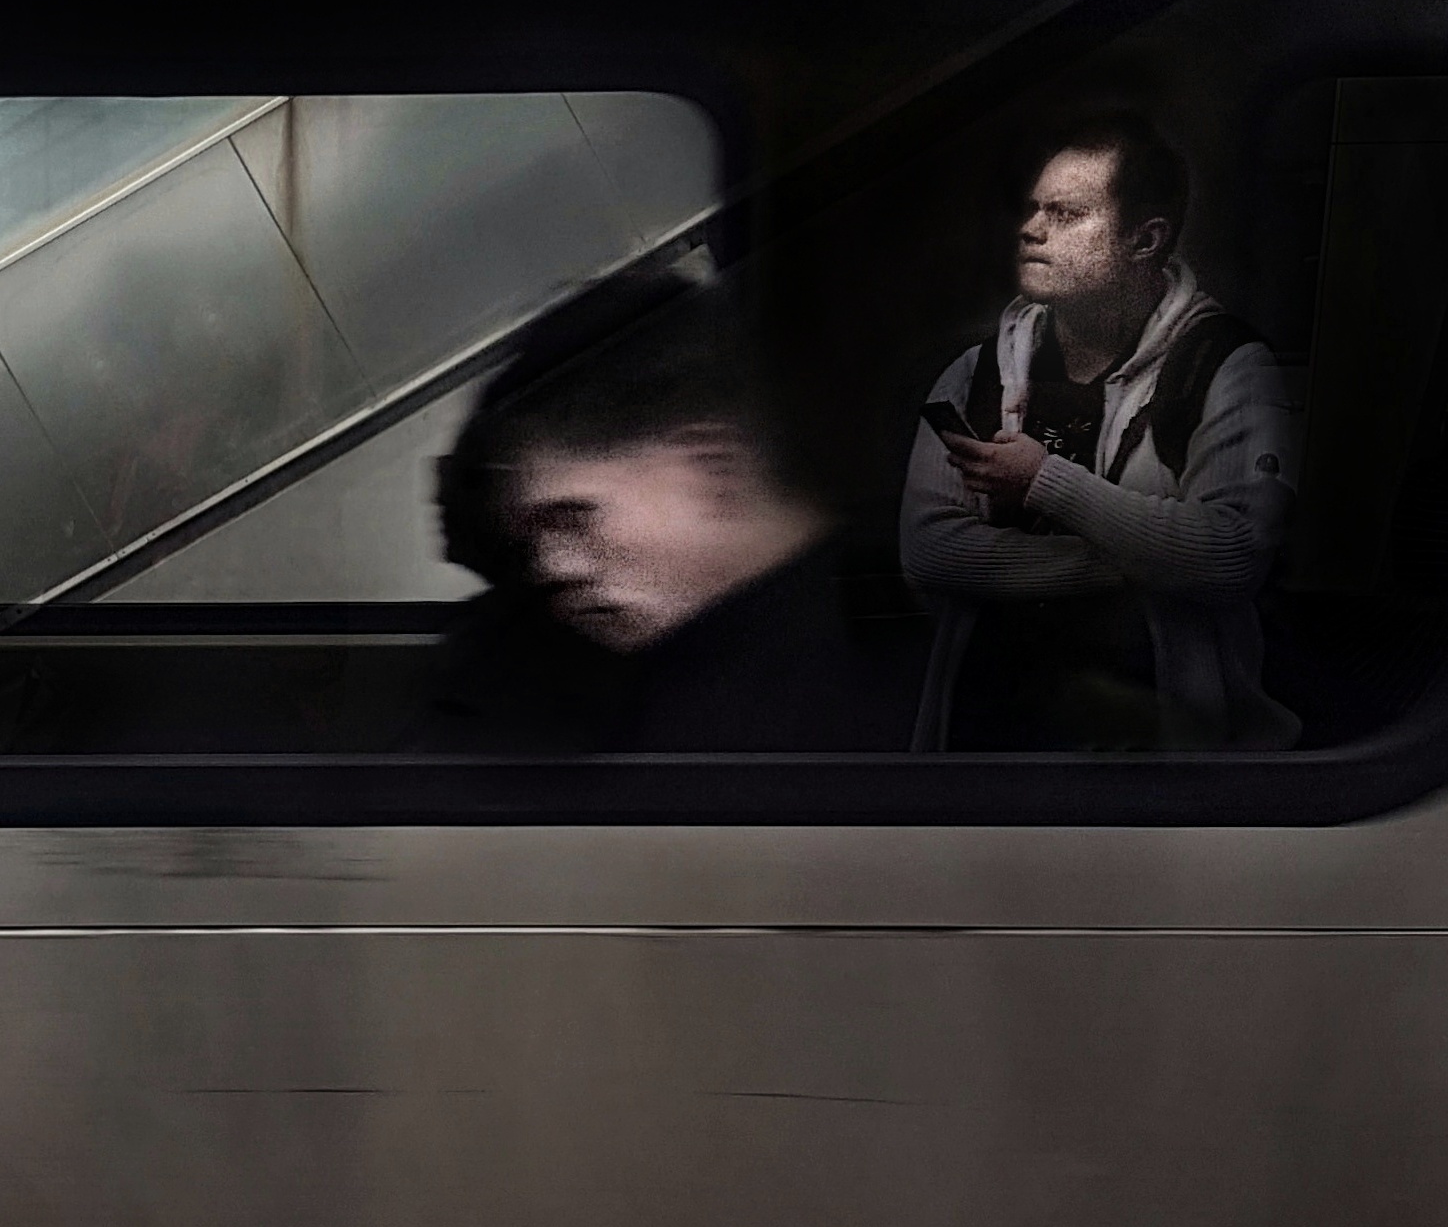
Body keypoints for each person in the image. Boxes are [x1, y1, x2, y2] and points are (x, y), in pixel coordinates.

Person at [899, 111, 1298, 750]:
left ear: (1145, 240)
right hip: (988, 736)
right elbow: (930, 551)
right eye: (1035, 209)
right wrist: (1137, 561)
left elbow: (1231, 556)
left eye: (1066, 214)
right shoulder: (976, 372)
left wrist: (1044, 482)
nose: (1030, 229)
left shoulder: (1225, 366)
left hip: (1162, 746)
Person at [424, 280, 909, 752]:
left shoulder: (794, 703)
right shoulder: (875, 621)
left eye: (574, 518)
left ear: (711, 466)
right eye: (531, 537)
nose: (554, 566)